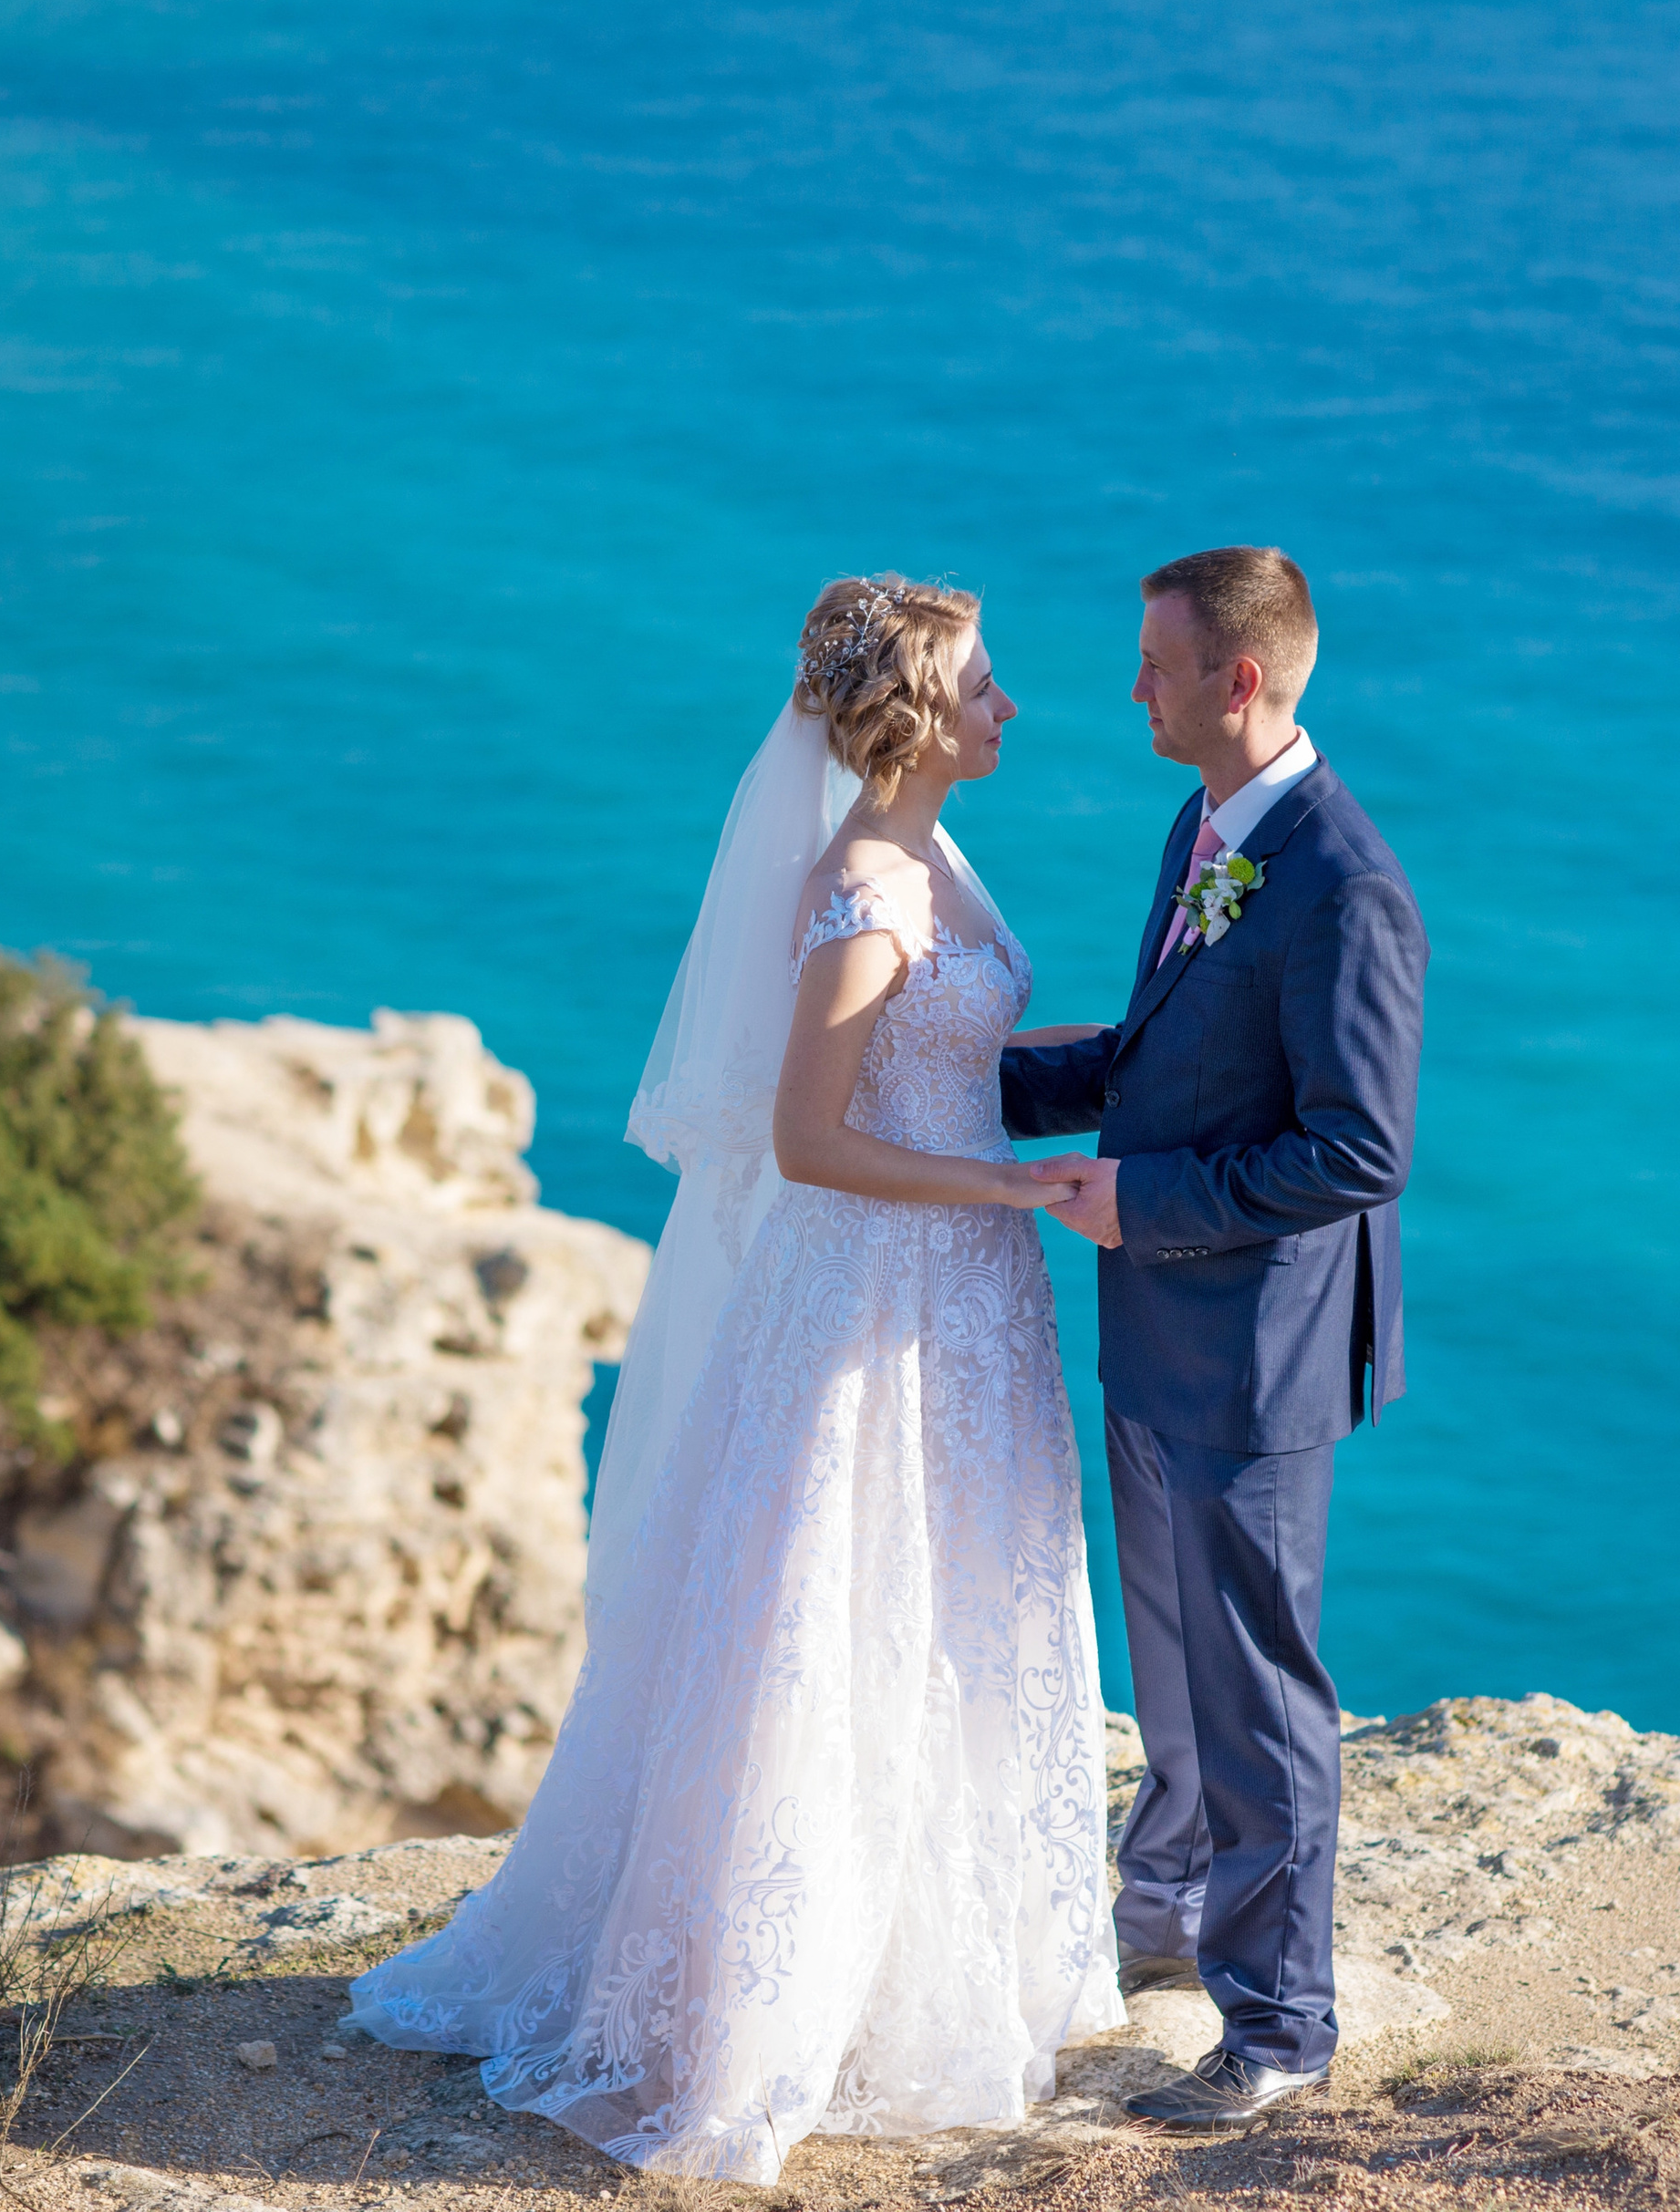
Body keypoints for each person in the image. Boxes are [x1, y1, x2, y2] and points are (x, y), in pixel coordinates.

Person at [345, 576, 1124, 2183]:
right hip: (877, 1286)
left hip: (962, 1300)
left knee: (955, 1598)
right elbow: (809, 1138)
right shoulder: (864, 888)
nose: (1012, 707)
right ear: (913, 716)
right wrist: (1012, 1191)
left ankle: (941, 1948)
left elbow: (958, 1065)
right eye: (985, 684)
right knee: (834, 1606)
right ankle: (767, 2000)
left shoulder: (934, 857)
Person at [1005, 546, 1427, 2134]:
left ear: (1234, 682)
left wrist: (1138, 1198)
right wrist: (974, 1087)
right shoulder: (1207, 824)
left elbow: (1356, 1152)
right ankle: (1167, 1907)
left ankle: (1281, 2029)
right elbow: (1170, 1048)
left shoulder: (1345, 886)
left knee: (1257, 1694)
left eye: (1155, 666)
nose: (1134, 690)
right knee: (1174, 1666)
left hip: (1255, 1353)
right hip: (1158, 1320)